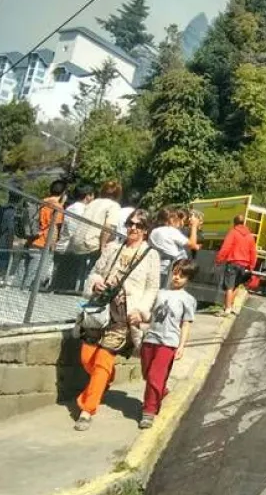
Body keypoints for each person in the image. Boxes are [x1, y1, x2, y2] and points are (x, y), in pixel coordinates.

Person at [74, 209, 160, 432]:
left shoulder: (150, 255)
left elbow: (152, 287)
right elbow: (94, 272)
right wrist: (96, 283)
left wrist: (141, 310)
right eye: (130, 223)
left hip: (124, 315)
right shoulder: (113, 248)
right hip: (100, 310)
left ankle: (87, 409)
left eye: (139, 225)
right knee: (87, 358)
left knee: (103, 359)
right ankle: (104, 379)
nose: (133, 228)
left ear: (146, 230)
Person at [139, 258, 197, 430]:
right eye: (176, 272)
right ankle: (160, 392)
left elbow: (186, 323)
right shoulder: (160, 293)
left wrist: (181, 346)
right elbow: (152, 316)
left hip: (168, 343)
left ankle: (148, 411)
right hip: (150, 339)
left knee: (154, 376)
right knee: (147, 373)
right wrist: (140, 318)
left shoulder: (188, 299)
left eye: (183, 275)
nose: (177, 277)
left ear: (189, 279)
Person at [69, 180, 124, 281]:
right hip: (91, 244)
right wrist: (103, 247)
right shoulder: (114, 206)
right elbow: (108, 227)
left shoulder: (93, 202)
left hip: (77, 241)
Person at [21, 180, 66, 289]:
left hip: (32, 239)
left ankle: (13, 292)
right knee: (34, 275)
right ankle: (23, 296)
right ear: (63, 193)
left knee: (23, 271)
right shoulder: (57, 207)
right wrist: (53, 246)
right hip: (43, 244)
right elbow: (54, 227)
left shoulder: (41, 202)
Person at [52, 185, 95, 292]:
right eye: (92, 195)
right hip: (71, 250)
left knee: (58, 283)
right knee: (65, 286)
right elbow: (76, 232)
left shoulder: (70, 207)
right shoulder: (82, 210)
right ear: (87, 196)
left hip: (63, 247)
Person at [214, 214, 256, 316]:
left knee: (229, 286)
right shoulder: (250, 236)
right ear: (243, 223)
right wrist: (251, 266)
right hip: (244, 265)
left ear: (235, 222)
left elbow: (226, 247)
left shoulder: (233, 233)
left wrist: (219, 259)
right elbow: (253, 252)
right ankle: (230, 306)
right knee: (236, 286)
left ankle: (227, 309)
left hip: (233, 263)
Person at [149, 206, 200, 288]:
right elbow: (192, 244)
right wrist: (194, 226)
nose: (182, 224)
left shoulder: (154, 231)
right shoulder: (171, 231)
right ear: (172, 219)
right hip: (170, 271)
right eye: (180, 220)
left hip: (158, 268)